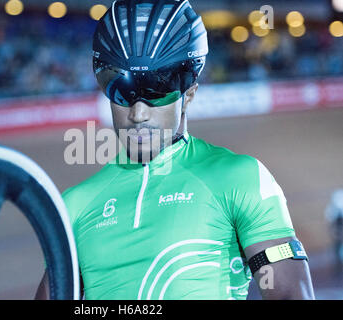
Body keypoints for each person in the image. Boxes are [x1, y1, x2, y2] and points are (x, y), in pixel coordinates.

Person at [36, 0, 314, 300]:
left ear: (189, 94)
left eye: (156, 93)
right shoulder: (73, 206)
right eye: (122, 92)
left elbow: (290, 295)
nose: (138, 114)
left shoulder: (240, 178)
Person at [325, 188, 343, 271]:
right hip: (337, 231)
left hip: (337, 230)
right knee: (337, 249)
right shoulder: (334, 210)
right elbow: (331, 220)